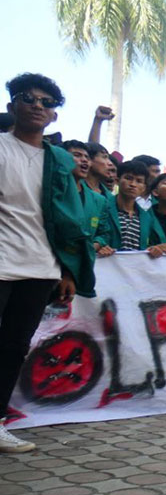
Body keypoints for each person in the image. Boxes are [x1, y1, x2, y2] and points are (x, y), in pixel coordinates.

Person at [1, 73, 95, 453]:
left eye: (47, 102)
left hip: (40, 268)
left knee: (13, 347)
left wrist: (67, 270)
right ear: (12, 107)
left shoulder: (58, 161)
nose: (38, 105)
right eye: (28, 98)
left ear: (54, 116)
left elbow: (68, 220)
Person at [95, 160, 166, 257]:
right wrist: (100, 246)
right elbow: (95, 235)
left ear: (144, 188)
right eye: (128, 178)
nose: (133, 184)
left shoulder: (147, 217)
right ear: (117, 181)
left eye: (139, 181)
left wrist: (154, 249)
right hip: (105, 268)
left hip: (134, 270)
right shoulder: (102, 207)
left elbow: (145, 247)